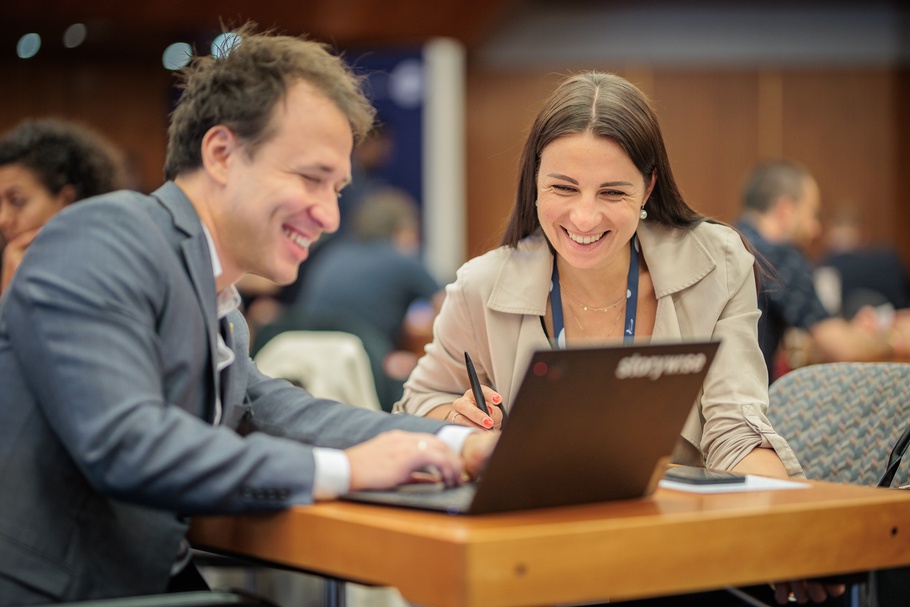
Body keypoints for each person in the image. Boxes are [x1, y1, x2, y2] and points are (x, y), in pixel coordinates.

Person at [0, 24, 496, 605]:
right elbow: (128, 445)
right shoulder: (102, 237)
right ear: (221, 153)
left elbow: (288, 415)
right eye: (311, 178)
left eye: (337, 189)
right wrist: (342, 470)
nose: (330, 216)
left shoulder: (218, 299)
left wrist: (452, 443)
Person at [393, 71, 844, 605]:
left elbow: (736, 428)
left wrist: (792, 531)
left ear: (649, 187)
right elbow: (415, 406)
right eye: (563, 188)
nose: (585, 217)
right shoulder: (482, 285)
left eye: (613, 192)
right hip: (534, 552)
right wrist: (458, 423)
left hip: (673, 553)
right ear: (535, 181)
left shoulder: (716, 263)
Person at [256, 185, 443, 411]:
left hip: (298, 355)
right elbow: (450, 308)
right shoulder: (402, 259)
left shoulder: (333, 254)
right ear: (404, 231)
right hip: (360, 359)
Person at [734, 158, 909, 381]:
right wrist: (895, 339)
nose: (815, 229)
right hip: (748, 406)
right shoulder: (778, 255)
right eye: (812, 214)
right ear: (785, 210)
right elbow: (844, 349)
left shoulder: (729, 244)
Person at [0, 117, 126, 295]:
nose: (3, 219)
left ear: (66, 200)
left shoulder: (110, 271)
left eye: (17, 201)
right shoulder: (9, 261)